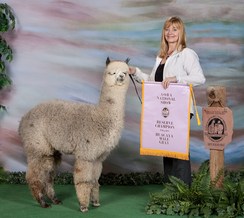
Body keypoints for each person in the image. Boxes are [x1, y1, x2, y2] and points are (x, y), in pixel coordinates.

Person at [129, 16, 206, 186]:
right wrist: (134, 71)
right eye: (167, 29)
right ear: (163, 32)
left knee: (179, 150)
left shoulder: (186, 54)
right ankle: (171, 190)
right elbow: (152, 82)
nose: (170, 32)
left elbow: (200, 78)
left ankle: (184, 190)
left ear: (181, 33)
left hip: (181, 108)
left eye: (175, 29)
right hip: (164, 109)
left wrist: (176, 78)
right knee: (167, 148)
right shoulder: (161, 57)